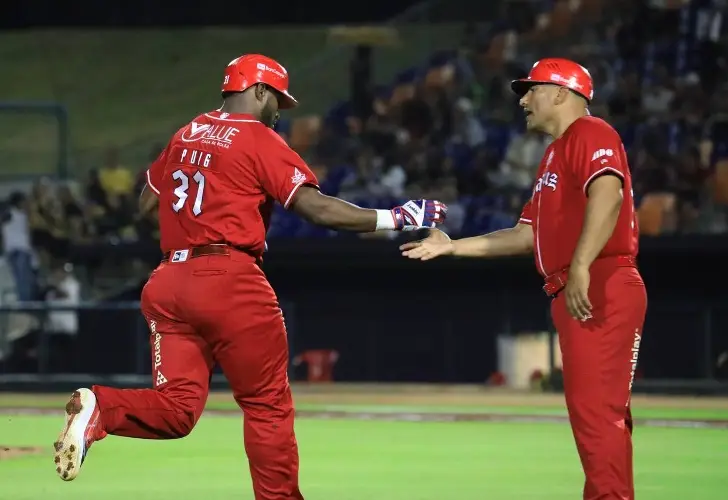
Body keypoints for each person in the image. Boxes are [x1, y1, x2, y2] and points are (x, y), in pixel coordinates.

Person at [53, 54, 447, 499]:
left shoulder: (187, 132)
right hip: (229, 277)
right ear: (258, 90)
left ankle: (101, 407)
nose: (278, 110)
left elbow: (147, 201)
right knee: (267, 406)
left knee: (177, 411)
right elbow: (315, 208)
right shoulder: (258, 138)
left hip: (169, 281)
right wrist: (395, 216)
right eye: (277, 99)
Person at [401, 58, 646, 500]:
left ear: (561, 93)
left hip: (600, 282)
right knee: (597, 415)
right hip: (581, 282)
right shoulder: (555, 152)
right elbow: (525, 235)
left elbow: (608, 195)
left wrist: (581, 265)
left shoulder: (592, 132)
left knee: (597, 415)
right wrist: (452, 245)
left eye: (532, 90)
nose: (524, 100)